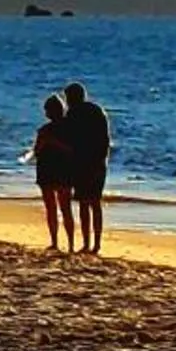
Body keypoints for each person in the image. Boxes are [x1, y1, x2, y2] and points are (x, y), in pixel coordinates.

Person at [61, 80, 111, 255]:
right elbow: (105, 139)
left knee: (84, 203)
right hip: (98, 162)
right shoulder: (97, 111)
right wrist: (102, 159)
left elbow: (68, 139)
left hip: (81, 163)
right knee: (95, 203)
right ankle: (96, 244)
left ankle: (87, 242)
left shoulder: (73, 114)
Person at [30, 94, 74, 252]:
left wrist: (51, 143)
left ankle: (60, 242)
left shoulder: (46, 130)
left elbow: (37, 151)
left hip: (52, 170)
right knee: (63, 208)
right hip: (59, 170)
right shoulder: (69, 129)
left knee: (55, 208)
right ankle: (65, 243)